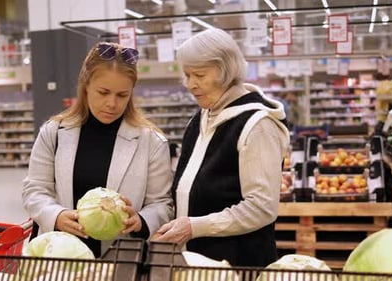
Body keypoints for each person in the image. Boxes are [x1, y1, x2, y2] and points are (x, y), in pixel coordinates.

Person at [152, 28, 290, 267]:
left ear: (226, 71)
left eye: (200, 75)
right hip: (196, 264)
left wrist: (195, 226)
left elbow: (261, 207)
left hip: (240, 265)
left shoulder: (257, 125)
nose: (191, 84)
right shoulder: (199, 119)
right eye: (187, 75)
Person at [22, 42, 174, 257]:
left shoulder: (151, 141)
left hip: (120, 258)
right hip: (59, 258)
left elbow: (162, 204)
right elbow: (35, 190)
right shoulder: (54, 132)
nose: (112, 103)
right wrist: (56, 215)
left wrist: (140, 220)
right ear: (85, 85)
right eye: (103, 92)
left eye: (122, 95)